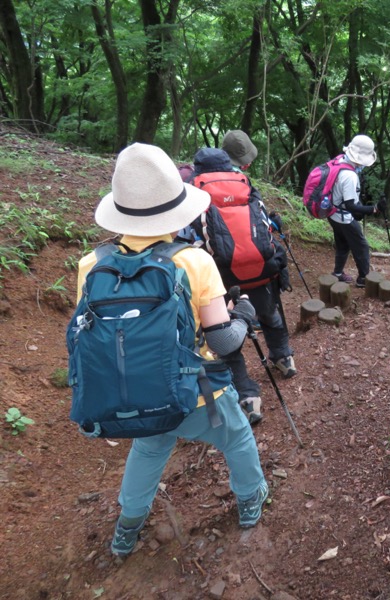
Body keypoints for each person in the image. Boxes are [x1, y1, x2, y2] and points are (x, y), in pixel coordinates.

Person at [77, 143, 269, 557]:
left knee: (148, 448)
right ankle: (251, 500)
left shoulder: (91, 264)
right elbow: (222, 341)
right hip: (197, 394)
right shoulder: (193, 262)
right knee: (236, 438)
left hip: (130, 395)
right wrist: (245, 315)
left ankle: (128, 524)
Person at [186, 144, 297, 425]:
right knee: (270, 313)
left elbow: (188, 236)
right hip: (261, 269)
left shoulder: (192, 193)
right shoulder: (245, 186)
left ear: (197, 169)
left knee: (224, 333)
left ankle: (247, 395)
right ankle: (284, 357)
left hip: (221, 277)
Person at [327, 134, 386, 288]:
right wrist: (374, 209)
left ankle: (338, 273)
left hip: (331, 213)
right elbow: (351, 206)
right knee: (361, 246)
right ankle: (363, 278)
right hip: (343, 217)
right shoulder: (350, 176)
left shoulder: (339, 161)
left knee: (343, 243)